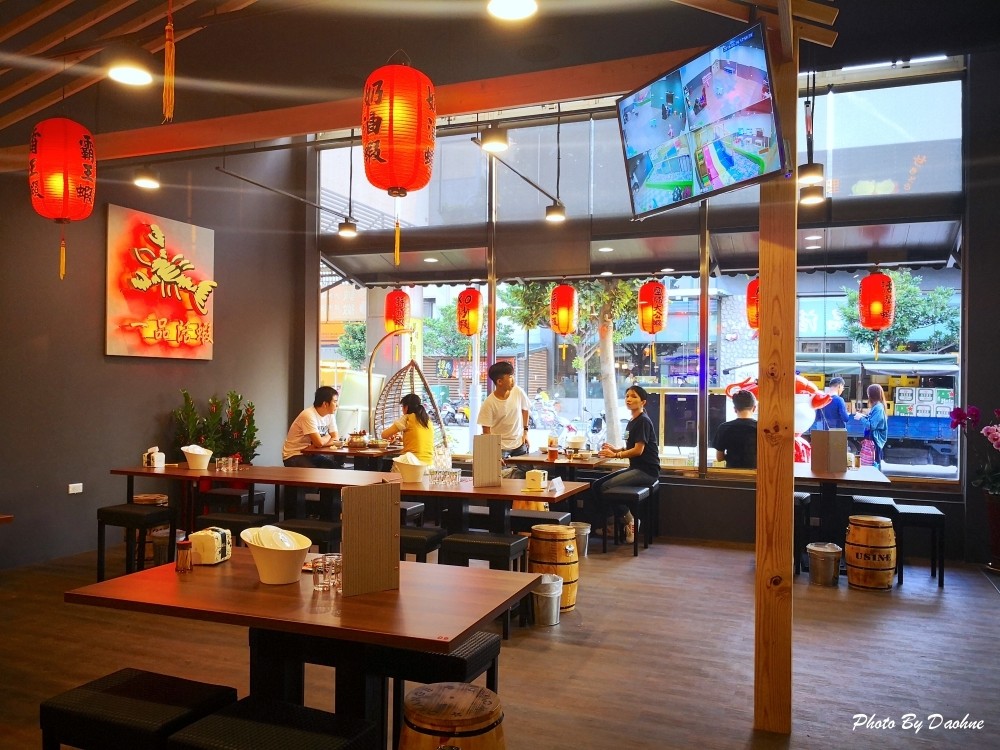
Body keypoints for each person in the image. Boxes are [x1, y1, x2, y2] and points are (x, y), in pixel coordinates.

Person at [591, 385, 659, 544]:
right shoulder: (632, 421)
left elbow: (638, 450)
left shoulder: (643, 420)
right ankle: (612, 525)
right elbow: (631, 446)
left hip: (647, 471)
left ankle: (631, 521)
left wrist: (616, 455)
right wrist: (617, 449)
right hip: (635, 468)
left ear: (643, 402)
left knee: (605, 487)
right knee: (596, 485)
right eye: (627, 396)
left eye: (634, 396)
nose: (629, 399)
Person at [477, 361, 532, 459]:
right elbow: (486, 432)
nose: (513, 379)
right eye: (510, 377)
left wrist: (525, 433)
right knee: (499, 469)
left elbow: (525, 410)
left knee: (527, 468)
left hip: (519, 443)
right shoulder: (489, 403)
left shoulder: (518, 391)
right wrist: (494, 453)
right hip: (500, 447)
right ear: (499, 382)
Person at [282, 386, 342, 469]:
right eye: (335, 402)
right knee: (313, 473)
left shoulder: (330, 415)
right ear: (325, 404)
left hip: (312, 454)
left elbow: (335, 438)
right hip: (294, 455)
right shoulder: (308, 415)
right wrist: (328, 436)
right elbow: (319, 443)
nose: (337, 405)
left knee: (334, 468)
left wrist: (319, 444)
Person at [381, 393, 434, 465]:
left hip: (412, 463)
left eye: (402, 406)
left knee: (387, 464)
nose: (402, 409)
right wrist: (402, 438)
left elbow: (384, 435)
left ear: (406, 407)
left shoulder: (407, 418)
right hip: (428, 464)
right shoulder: (427, 421)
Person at [713, 389, 758, 469]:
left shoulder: (724, 427)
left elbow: (719, 458)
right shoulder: (760, 427)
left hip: (733, 473)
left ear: (735, 409)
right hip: (756, 473)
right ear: (754, 408)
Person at [854, 383, 889, 469]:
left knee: (874, 464)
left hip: (875, 441)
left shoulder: (878, 408)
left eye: (868, 393)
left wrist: (861, 418)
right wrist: (864, 416)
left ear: (872, 394)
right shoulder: (877, 406)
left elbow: (872, 425)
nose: (867, 395)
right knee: (871, 464)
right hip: (873, 441)